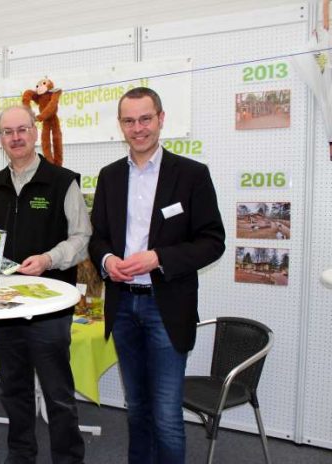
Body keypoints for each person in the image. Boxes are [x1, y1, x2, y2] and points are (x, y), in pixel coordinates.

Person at [88, 87, 225, 464]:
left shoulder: (192, 175)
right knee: (137, 409)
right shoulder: (110, 176)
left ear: (161, 119)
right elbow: (96, 237)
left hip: (166, 308)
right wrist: (107, 260)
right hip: (123, 304)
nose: (138, 128)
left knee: (166, 416)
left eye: (145, 119)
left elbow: (213, 242)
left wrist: (158, 257)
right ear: (121, 126)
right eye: (129, 121)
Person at [0, 105, 90, 464]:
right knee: (13, 389)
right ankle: (21, 454)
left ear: (35, 132)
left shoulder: (63, 181)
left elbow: (82, 237)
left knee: (58, 393)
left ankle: (67, 458)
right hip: (3, 304)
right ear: (0, 138)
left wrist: (50, 259)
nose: (16, 137)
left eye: (22, 129)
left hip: (49, 306)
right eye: (8, 132)